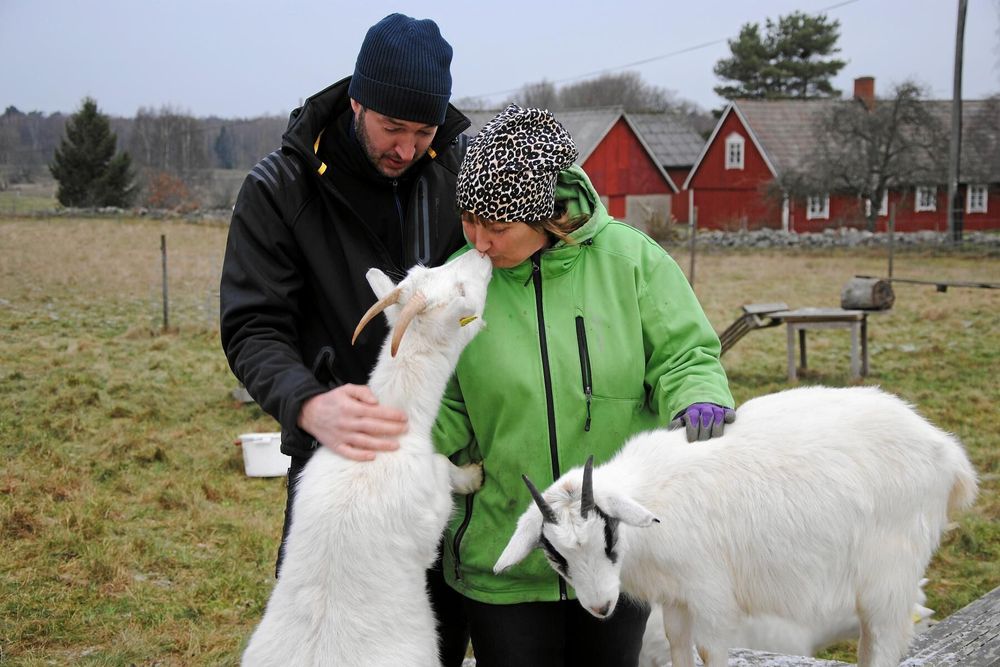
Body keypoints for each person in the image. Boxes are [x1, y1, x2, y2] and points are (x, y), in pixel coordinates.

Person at [432, 104, 736, 666]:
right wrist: (397, 436)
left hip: (614, 545)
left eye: (495, 226)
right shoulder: (460, 285)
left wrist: (698, 394)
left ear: (544, 212)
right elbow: (444, 402)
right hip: (505, 556)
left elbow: (684, 353)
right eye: (468, 220)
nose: (478, 241)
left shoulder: (631, 260)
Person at [219, 13, 472, 665]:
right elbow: (254, 324)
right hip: (338, 469)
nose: (408, 148)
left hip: (440, 457)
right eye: (394, 127)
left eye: (425, 130)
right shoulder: (280, 187)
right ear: (358, 99)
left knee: (426, 643)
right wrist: (306, 401)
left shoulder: (458, 176)